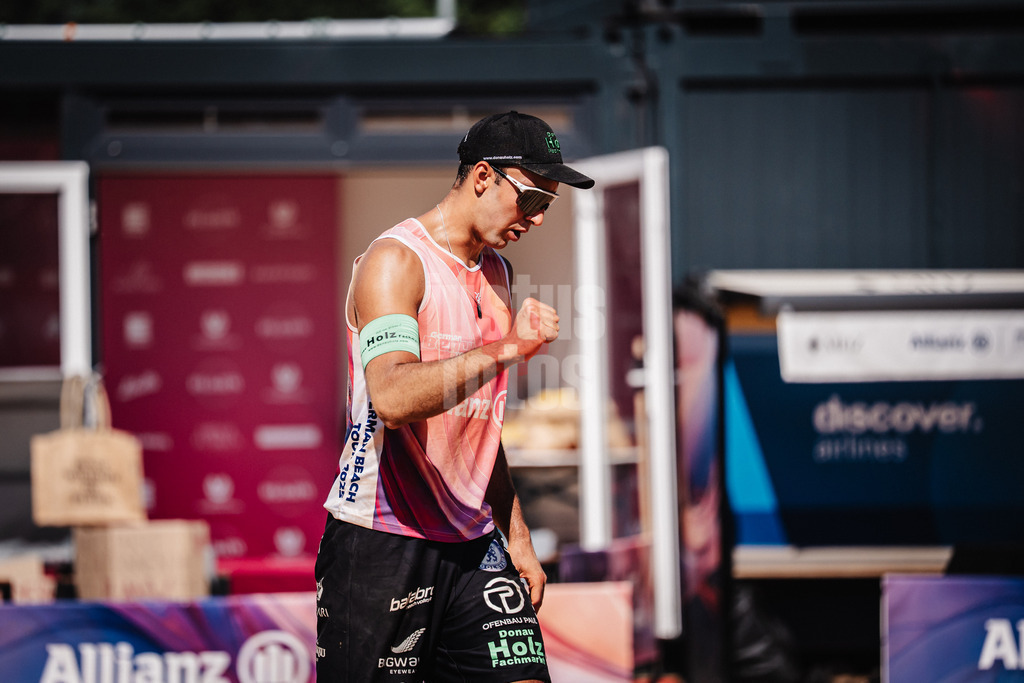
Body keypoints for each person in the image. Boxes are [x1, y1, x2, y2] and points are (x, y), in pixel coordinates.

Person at [315, 111, 595, 682]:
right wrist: (509, 350)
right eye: (532, 200)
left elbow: (480, 428)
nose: (538, 218)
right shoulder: (396, 261)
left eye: (549, 205)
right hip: (382, 540)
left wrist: (515, 530)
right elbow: (391, 396)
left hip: (472, 539)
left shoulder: (497, 273)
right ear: (484, 177)